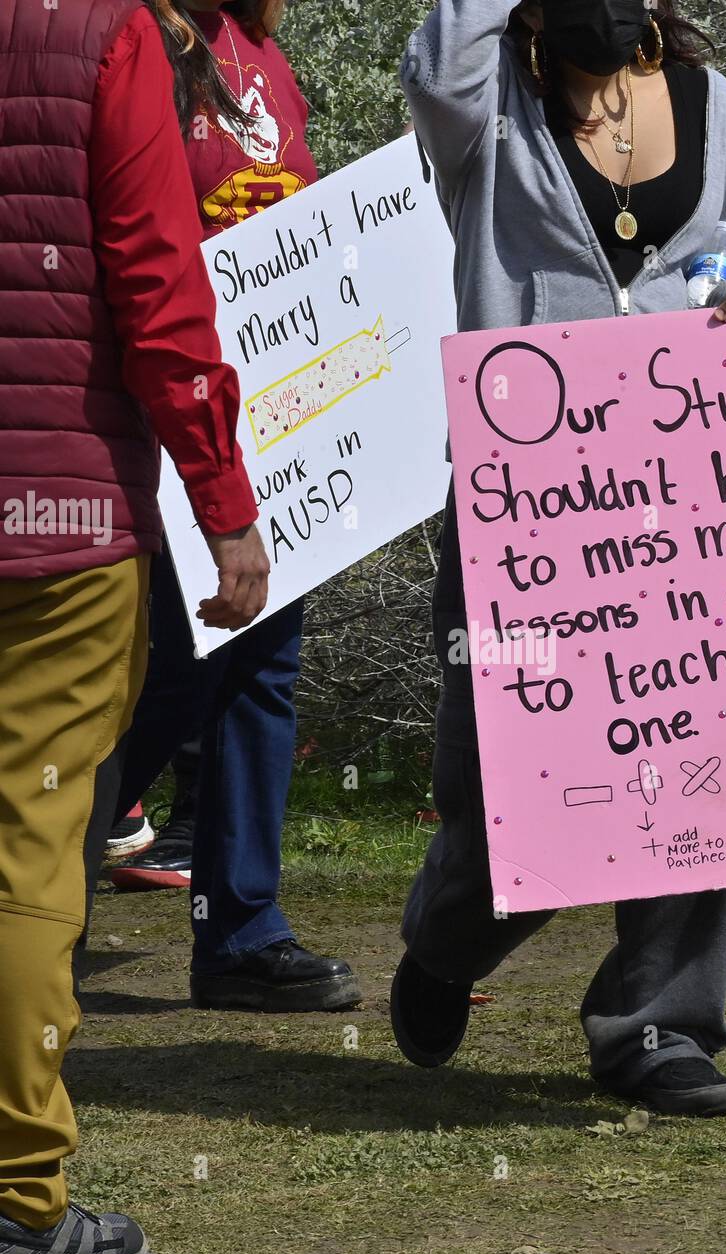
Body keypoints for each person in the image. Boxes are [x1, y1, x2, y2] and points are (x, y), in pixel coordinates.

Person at [392, 0, 726, 1115]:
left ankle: (657, 1022)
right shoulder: (484, 117)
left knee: (705, 757)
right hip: (523, 501)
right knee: (512, 787)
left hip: (684, 491)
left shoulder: (714, 107)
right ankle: (444, 940)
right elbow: (434, 63)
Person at [0, 0, 269, 1254]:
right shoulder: (104, 35)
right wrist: (225, 508)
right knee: (33, 853)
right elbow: (161, 290)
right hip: (54, 527)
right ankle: (18, 1201)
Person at [104, 0, 362, 1012]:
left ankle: (238, 932)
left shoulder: (263, 54)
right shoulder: (135, 40)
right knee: (168, 670)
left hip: (268, 422)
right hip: (155, 414)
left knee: (261, 663)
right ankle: (33, 880)